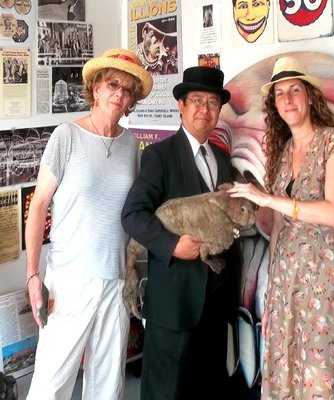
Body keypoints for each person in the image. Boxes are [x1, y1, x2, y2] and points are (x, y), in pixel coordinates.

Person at [228, 56, 334, 398]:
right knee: (291, 359)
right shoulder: (283, 152)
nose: (288, 99)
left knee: (323, 362)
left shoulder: (333, 142)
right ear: (274, 104)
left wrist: (268, 200)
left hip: (327, 274)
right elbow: (280, 224)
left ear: (310, 97)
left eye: (295, 90)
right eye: (280, 94)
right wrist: (273, 278)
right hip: (289, 278)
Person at [25, 48, 153, 399]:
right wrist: (33, 276)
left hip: (114, 281)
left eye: (128, 91)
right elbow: (37, 207)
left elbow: (132, 213)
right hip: (69, 282)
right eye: (113, 84)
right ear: (95, 88)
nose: (120, 94)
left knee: (107, 388)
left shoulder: (131, 145)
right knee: (51, 386)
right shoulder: (65, 136)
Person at [121, 66, 243, 400]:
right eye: (197, 101)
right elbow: (132, 215)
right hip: (174, 301)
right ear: (181, 106)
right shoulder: (160, 156)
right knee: (167, 390)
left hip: (217, 302)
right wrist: (174, 245)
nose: (205, 110)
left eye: (213, 103)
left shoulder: (222, 157)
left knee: (207, 387)